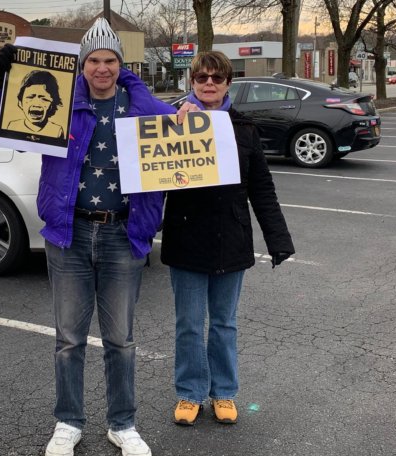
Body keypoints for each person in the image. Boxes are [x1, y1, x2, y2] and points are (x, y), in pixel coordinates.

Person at [0, 18, 177, 456]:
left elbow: (193, 134)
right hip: (69, 233)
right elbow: (1, 126)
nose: (102, 68)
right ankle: (68, 422)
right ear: (82, 64)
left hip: (123, 234)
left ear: (120, 63)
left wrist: (206, 117)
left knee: (121, 341)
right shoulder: (61, 106)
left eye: (109, 60)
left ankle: (122, 424)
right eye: (94, 60)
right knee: (69, 339)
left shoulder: (144, 107)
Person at [162, 51, 295, 426]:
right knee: (189, 323)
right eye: (201, 77)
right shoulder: (171, 123)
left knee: (224, 323)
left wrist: (278, 238)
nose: (208, 84)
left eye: (216, 78)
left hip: (230, 238)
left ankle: (224, 392)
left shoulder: (245, 128)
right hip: (186, 236)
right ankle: (189, 393)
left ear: (227, 84)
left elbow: (262, 188)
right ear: (191, 82)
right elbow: (151, 180)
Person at [6, 70, 65, 138]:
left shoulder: (57, 132)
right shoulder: (13, 127)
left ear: (52, 105)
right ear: (20, 103)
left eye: (44, 99)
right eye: (30, 97)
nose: (36, 103)